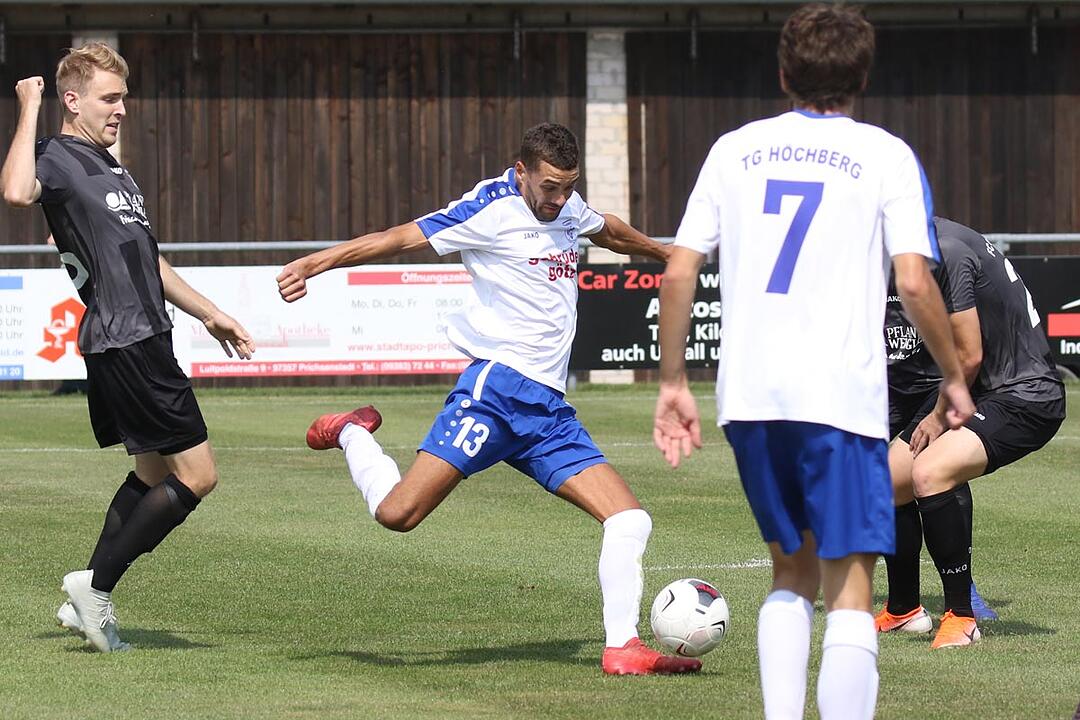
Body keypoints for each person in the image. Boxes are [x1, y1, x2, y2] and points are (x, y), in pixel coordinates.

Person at [277, 122, 698, 676]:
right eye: (549, 187)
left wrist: (665, 253)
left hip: (548, 411)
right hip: (495, 394)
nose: (559, 199)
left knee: (629, 520)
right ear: (521, 172)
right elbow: (399, 238)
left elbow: (608, 230)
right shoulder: (490, 208)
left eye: (569, 187)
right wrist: (314, 263)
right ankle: (351, 431)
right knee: (398, 514)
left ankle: (622, 647)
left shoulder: (566, 206)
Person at [652, 5, 974, 719]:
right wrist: (953, 376)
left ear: (783, 73)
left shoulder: (734, 149)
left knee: (790, 571)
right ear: (862, 76)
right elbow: (915, 281)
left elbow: (678, 271)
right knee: (850, 586)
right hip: (839, 396)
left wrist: (673, 382)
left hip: (752, 397)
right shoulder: (886, 155)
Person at [0, 43, 255, 653]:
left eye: (123, 98)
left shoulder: (110, 168)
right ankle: (96, 587)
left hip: (137, 335)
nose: (121, 109)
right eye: (109, 99)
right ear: (72, 100)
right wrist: (28, 105)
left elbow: (150, 260)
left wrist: (211, 313)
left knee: (151, 473)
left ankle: (84, 599)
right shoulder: (57, 157)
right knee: (198, 476)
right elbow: (15, 191)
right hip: (128, 337)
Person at [876, 217, 1066, 647]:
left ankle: (961, 616)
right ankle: (903, 610)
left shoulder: (949, 250)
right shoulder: (920, 245)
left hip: (1024, 394)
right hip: (980, 391)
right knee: (885, 481)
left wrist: (936, 417)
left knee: (930, 472)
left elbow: (969, 356)